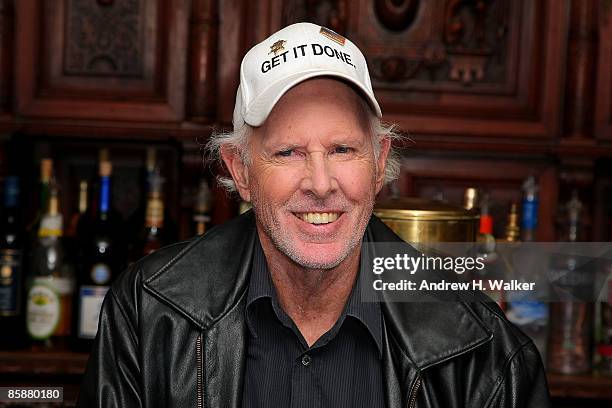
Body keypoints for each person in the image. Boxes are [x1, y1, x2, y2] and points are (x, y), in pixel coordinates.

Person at [78, 22, 551, 407]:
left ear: (379, 162)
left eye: (343, 149)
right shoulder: (149, 311)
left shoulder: (482, 346)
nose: (321, 184)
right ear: (240, 171)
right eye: (287, 152)